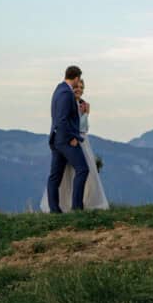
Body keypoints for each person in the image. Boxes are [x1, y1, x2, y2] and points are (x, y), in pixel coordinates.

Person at [41, 77, 109, 212]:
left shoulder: (82, 104)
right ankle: (71, 206)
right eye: (76, 87)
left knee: (80, 175)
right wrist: (74, 134)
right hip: (72, 141)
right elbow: (70, 124)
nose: (79, 90)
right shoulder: (69, 102)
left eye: (81, 88)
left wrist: (85, 114)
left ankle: (76, 204)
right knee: (71, 173)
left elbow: (84, 128)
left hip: (81, 142)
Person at [46, 66, 89, 212]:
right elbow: (62, 119)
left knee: (55, 177)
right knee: (82, 169)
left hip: (56, 139)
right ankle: (77, 207)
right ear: (76, 78)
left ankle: (54, 210)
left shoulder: (58, 89)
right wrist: (72, 137)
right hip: (65, 140)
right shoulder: (66, 93)